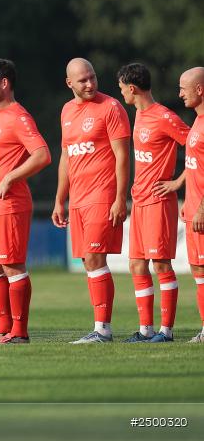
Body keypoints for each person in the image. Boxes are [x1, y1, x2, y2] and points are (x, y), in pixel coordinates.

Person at [52, 58, 131, 343]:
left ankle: (102, 329)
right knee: (88, 261)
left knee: (96, 258)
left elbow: (122, 155)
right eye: (83, 80)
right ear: (69, 83)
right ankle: (100, 328)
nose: (89, 84)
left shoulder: (111, 107)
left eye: (92, 77)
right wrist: (60, 199)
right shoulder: (67, 110)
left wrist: (121, 198)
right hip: (78, 199)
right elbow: (66, 156)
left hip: (102, 195)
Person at [0, 59, 50, 344]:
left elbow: (42, 154)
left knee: (12, 267)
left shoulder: (19, 116)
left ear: (4, 83)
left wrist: (10, 178)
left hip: (10, 205)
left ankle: (20, 332)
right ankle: (3, 328)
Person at [117, 63, 189, 343]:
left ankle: (166, 331)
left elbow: (197, 146)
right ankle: (146, 329)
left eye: (122, 89)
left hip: (159, 202)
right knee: (136, 264)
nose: (121, 93)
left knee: (161, 265)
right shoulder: (139, 115)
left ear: (132, 89)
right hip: (141, 203)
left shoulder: (164, 117)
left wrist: (177, 182)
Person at [177, 66, 204, 343]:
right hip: (193, 208)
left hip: (202, 211)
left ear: (199, 89)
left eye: (183, 87)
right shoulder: (196, 121)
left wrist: (202, 207)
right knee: (199, 270)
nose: (179, 93)